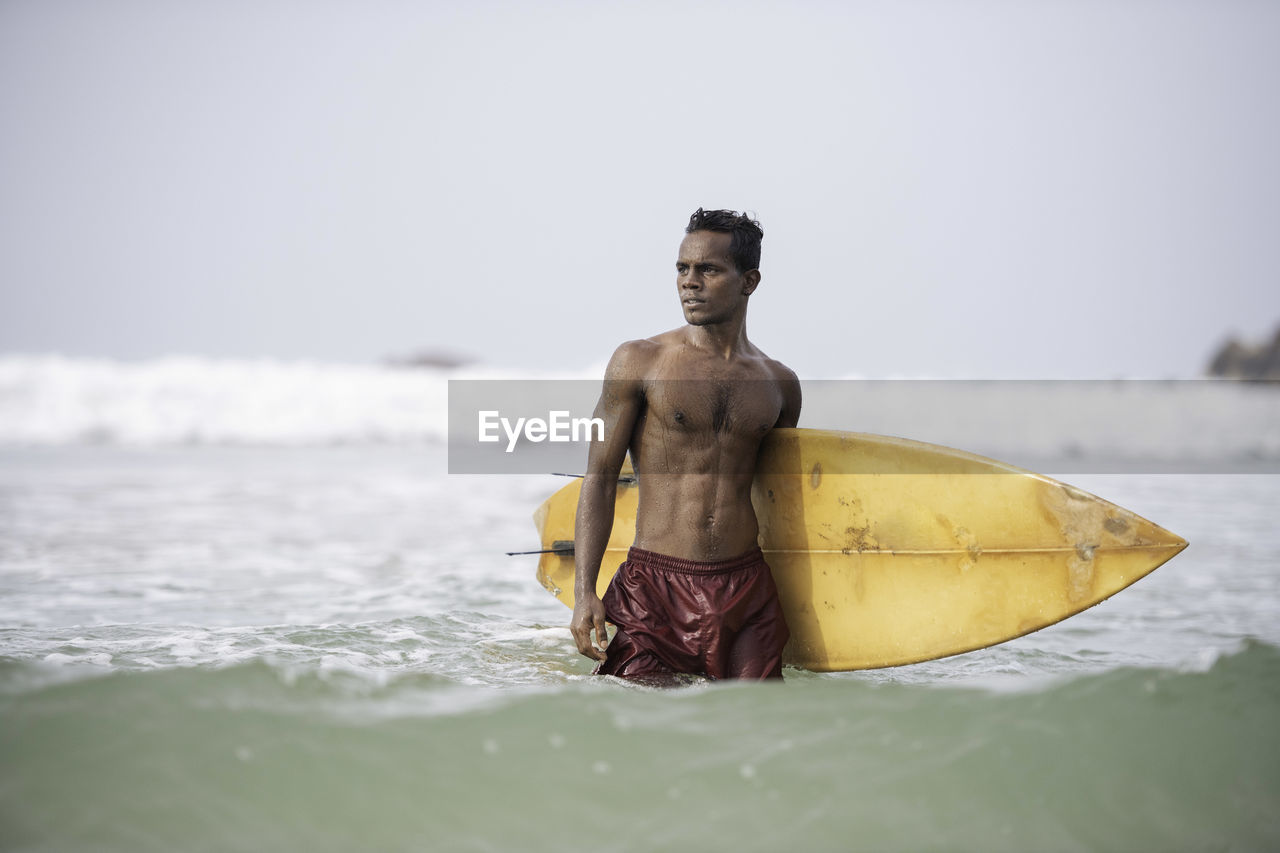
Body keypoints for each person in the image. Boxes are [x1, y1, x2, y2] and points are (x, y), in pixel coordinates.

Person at [569, 208, 802, 682]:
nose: (689, 282)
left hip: (746, 591)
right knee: (643, 726)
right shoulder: (639, 360)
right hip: (655, 588)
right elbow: (599, 477)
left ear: (749, 281)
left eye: (708, 270)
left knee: (758, 728)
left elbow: (781, 500)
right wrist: (584, 592)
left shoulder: (780, 384)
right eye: (682, 268)